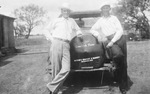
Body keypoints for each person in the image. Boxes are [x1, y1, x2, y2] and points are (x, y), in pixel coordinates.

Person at [90, 2, 131, 94]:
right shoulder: (100, 20)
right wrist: (99, 35)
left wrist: (113, 41)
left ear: (109, 9)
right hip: (108, 40)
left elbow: (120, 30)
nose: (105, 10)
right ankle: (118, 75)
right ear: (101, 10)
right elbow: (92, 29)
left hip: (119, 39)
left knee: (123, 62)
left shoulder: (114, 18)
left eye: (107, 8)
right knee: (118, 55)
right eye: (104, 8)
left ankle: (123, 86)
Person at [43, 2, 82, 94]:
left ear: (69, 12)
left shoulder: (72, 21)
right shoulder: (56, 20)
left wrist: (79, 33)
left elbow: (78, 29)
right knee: (56, 68)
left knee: (66, 69)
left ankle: (51, 86)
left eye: (67, 11)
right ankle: (56, 89)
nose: (66, 12)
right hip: (56, 42)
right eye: (64, 10)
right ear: (61, 11)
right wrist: (52, 39)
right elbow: (45, 30)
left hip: (67, 44)